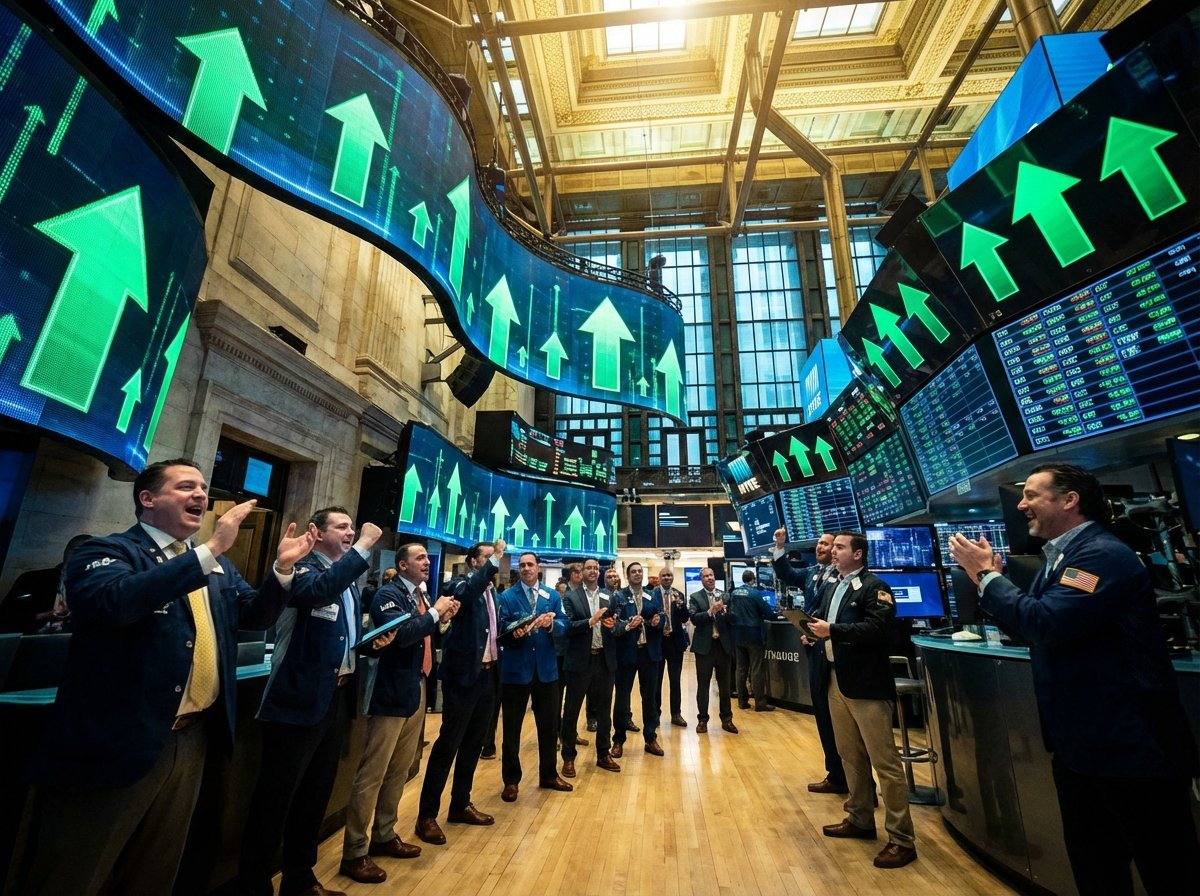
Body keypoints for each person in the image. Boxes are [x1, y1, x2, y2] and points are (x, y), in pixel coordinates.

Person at [18, 459, 311, 895]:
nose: (201, 495)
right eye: (185, 486)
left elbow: (253, 616)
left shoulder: (217, 568)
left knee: (155, 871)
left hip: (191, 739)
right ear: (147, 499)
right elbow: (116, 602)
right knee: (76, 872)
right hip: (117, 741)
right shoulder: (106, 551)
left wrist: (281, 571)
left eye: (204, 487)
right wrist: (210, 550)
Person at [949, 462, 1200, 895]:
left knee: (1167, 870)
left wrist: (986, 576)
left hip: (1130, 748)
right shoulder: (1063, 558)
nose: (1021, 505)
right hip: (1084, 747)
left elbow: (1048, 623)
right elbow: (1037, 626)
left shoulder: (1101, 554)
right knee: (1097, 868)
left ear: (1070, 500)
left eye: (1031, 495)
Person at [239, 507, 387, 896]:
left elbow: (342, 636)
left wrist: (370, 645)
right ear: (315, 533)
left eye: (354, 528)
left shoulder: (347, 580)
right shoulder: (304, 569)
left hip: (335, 699)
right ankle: (254, 885)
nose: (352, 533)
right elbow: (315, 594)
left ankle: (300, 879)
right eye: (342, 527)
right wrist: (367, 546)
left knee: (314, 795)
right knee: (276, 799)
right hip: (295, 702)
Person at [338, 543, 457, 885]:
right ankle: (355, 851)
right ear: (402, 565)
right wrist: (434, 613)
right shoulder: (387, 595)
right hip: (389, 693)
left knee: (399, 770)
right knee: (373, 772)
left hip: (415, 687)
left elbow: (421, 634)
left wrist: (440, 619)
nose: (426, 563)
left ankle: (385, 833)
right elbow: (403, 636)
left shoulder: (418, 596)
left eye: (425, 559)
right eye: (420, 558)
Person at [805, 531, 916, 869]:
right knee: (849, 755)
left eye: (839, 547)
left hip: (866, 685)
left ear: (858, 554)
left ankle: (901, 838)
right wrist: (811, 633)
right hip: (836, 679)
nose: (832, 552)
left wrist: (832, 632)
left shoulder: (875, 587)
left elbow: (880, 630)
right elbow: (823, 624)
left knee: (884, 762)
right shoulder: (832, 586)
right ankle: (860, 818)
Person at [415, 539, 506, 846]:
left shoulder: (492, 593)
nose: (494, 562)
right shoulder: (460, 585)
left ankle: (460, 804)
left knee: (474, 744)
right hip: (463, 679)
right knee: (448, 745)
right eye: (488, 558)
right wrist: (495, 559)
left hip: (488, 677)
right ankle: (426, 815)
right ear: (474, 562)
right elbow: (466, 595)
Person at [773, 530, 847, 794]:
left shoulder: (842, 578)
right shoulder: (811, 573)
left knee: (841, 720)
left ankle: (854, 778)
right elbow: (786, 574)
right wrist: (780, 547)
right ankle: (836, 774)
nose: (821, 547)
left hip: (834, 649)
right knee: (823, 715)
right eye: (819, 544)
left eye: (826, 544)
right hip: (813, 648)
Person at [495, 551, 571, 801]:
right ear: (519, 569)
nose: (527, 568)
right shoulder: (507, 596)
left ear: (538, 568)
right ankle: (511, 780)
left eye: (531, 564)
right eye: (523, 565)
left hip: (546, 670)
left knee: (549, 727)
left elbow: (564, 624)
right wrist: (513, 632)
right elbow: (501, 628)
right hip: (516, 670)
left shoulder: (551, 595)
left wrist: (550, 625)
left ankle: (548, 774)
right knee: (512, 729)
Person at [558, 557, 620, 776]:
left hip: (604, 660)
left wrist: (615, 626)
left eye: (596, 568)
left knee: (604, 711)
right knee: (572, 711)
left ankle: (603, 753)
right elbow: (566, 627)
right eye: (589, 568)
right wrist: (590, 622)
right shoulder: (571, 597)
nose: (593, 571)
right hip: (579, 662)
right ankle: (568, 757)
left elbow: (614, 622)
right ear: (581, 572)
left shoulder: (608, 595)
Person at [610, 561, 665, 757]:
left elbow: (662, 615)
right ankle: (618, 740)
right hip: (626, 652)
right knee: (622, 698)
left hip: (649, 653)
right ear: (627, 575)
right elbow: (613, 625)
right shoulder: (619, 596)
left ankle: (650, 738)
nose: (637, 574)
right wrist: (628, 626)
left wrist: (658, 622)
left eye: (640, 571)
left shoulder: (653, 594)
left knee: (650, 697)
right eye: (633, 572)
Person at [0, 533, 91, 634]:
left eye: (88, 554)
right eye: (75, 551)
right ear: (66, 553)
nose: (79, 558)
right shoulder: (32, 579)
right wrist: (44, 616)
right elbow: (6, 616)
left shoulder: (97, 586)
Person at [688, 567, 737, 735]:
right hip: (704, 648)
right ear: (701, 579)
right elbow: (695, 619)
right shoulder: (695, 597)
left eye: (711, 575)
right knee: (703, 685)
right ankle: (702, 720)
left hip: (723, 646)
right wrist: (711, 611)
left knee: (725, 685)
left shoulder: (726, 596)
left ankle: (727, 719)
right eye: (706, 576)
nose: (709, 578)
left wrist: (725, 612)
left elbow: (734, 619)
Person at [728, 568, 781, 712]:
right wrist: (777, 614)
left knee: (740, 669)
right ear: (753, 580)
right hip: (754, 635)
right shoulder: (755, 593)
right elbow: (769, 613)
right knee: (756, 669)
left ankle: (742, 701)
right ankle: (760, 703)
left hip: (738, 635)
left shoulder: (734, 593)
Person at [653, 567, 690, 727]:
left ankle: (676, 714)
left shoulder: (678, 594)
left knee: (675, 680)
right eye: (664, 575)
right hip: (658, 642)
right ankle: (655, 714)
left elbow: (685, 618)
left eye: (669, 575)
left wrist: (680, 605)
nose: (667, 578)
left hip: (675, 643)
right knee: (657, 680)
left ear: (672, 578)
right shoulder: (653, 594)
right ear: (660, 578)